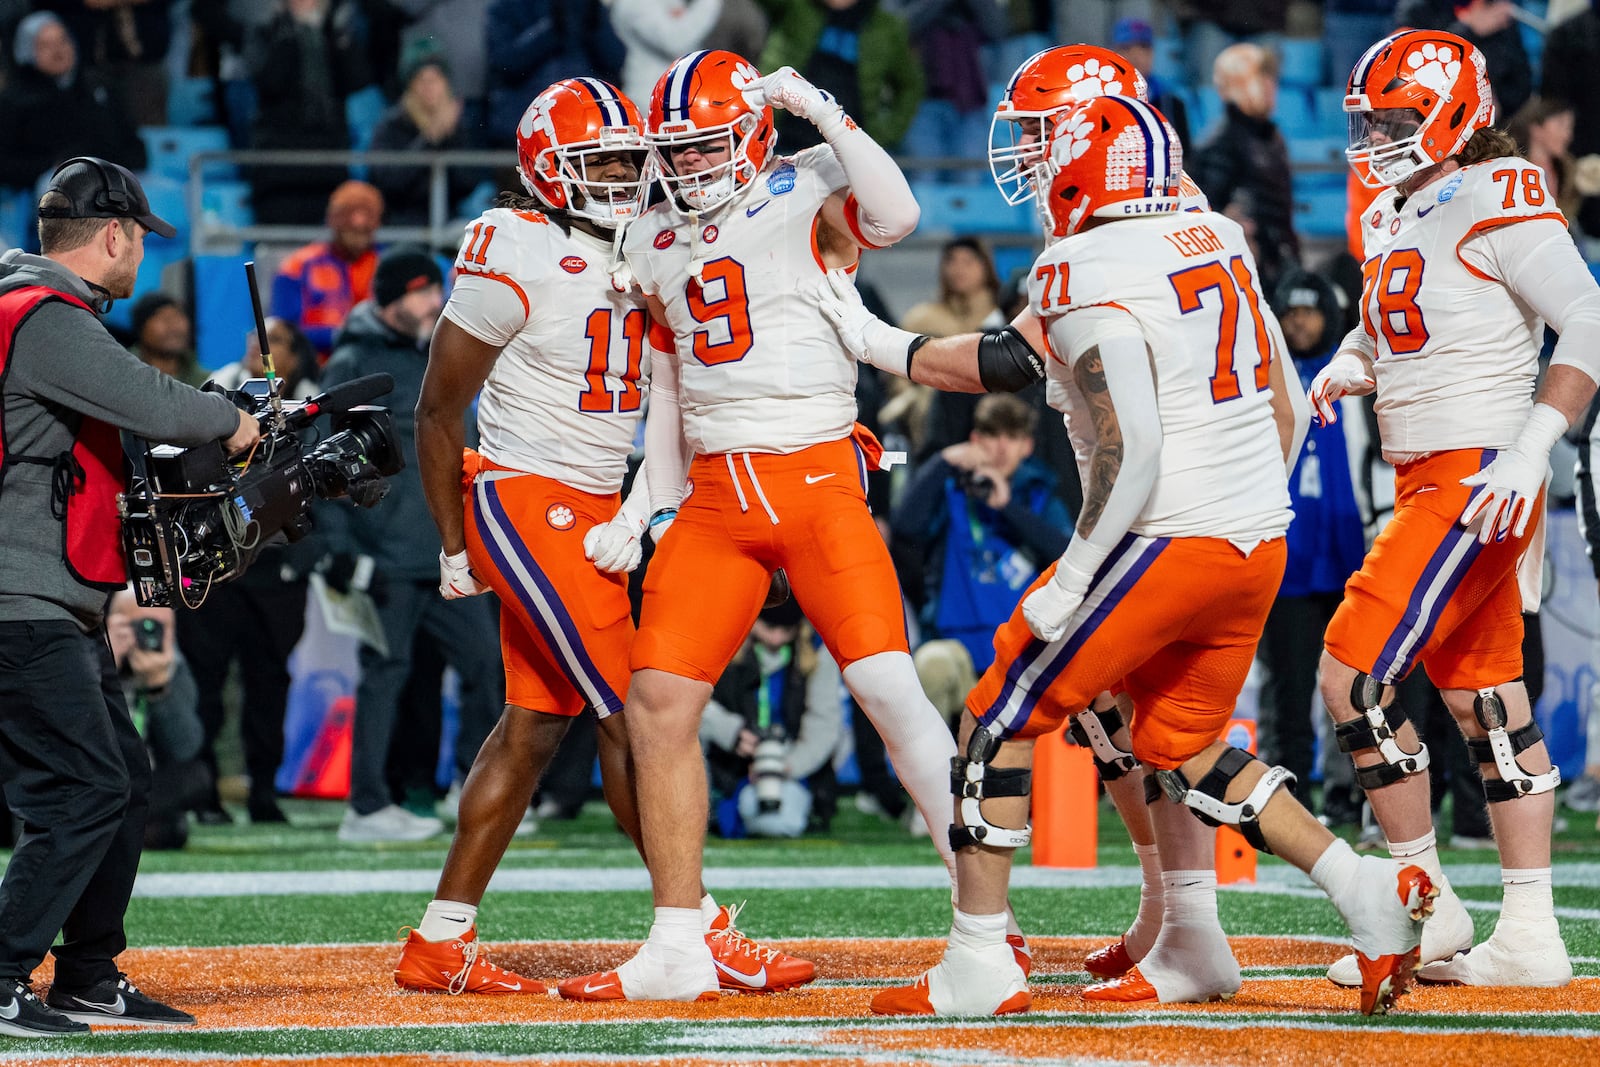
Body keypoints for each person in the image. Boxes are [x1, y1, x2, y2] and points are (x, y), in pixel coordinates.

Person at [841, 93, 1443, 1018]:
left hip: (1169, 532)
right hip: (1254, 537)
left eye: (1048, 153)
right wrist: (1246, 506)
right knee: (1184, 747)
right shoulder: (1216, 233)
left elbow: (1138, 448)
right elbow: (1279, 399)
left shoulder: (1081, 263)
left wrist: (1076, 577)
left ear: (1090, 164)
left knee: (994, 714)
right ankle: (1368, 896)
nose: (1037, 173)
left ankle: (978, 963)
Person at [558, 49, 1023, 1004]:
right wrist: (646, 506)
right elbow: (670, 390)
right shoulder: (649, 236)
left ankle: (989, 927)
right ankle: (679, 941)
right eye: (675, 151)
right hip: (719, 501)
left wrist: (823, 112)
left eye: (705, 146)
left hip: (815, 485)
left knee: (892, 692)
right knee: (656, 707)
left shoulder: (801, 183)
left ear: (757, 134)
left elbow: (897, 216)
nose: (687, 169)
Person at [402, 77, 813, 996]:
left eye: (632, 160)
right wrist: (453, 542)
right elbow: (436, 410)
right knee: (635, 715)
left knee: (534, 729)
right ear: (548, 169)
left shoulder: (644, 239)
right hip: (529, 497)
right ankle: (696, 923)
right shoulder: (515, 243)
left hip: (598, 506)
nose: (625, 178)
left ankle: (440, 938)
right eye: (602, 162)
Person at [1308, 27, 1600, 989]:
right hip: (1431, 472)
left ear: (1455, 111)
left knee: (1351, 674)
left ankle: (1423, 907)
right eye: (1372, 117)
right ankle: (1528, 932)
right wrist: (1357, 358)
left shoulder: (1498, 189)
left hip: (1476, 476)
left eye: (1398, 115)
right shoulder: (1408, 203)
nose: (1379, 134)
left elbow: (1590, 313)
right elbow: (1401, 315)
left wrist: (1531, 444)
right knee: (1486, 705)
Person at [0, 157, 259, 1036]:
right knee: (81, 786)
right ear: (114, 235)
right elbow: (153, 402)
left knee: (122, 775)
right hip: (19, 597)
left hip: (49, 598)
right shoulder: (48, 318)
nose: (141, 256)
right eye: (140, 239)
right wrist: (233, 417)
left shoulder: (30, 309)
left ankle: (86, 974)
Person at [319, 246, 499, 844]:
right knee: (384, 675)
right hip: (387, 555)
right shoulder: (354, 360)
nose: (434, 301)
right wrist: (339, 545)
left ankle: (474, 794)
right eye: (423, 291)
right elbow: (324, 460)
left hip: (450, 546)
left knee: (484, 664)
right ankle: (365, 807)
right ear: (394, 298)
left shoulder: (442, 350)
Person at [177, 318, 321, 825]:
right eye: (257, 340)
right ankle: (204, 791)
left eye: (278, 341)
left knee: (269, 682)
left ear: (298, 355)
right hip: (221, 568)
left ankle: (264, 789)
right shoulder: (214, 396)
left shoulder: (314, 407)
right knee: (206, 682)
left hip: (279, 574)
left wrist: (307, 557)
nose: (262, 348)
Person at [1255, 268, 1366, 804]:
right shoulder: (1259, 377)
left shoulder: (1357, 378)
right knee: (1290, 686)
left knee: (1352, 686)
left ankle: (1349, 793)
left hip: (1352, 553)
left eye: (1309, 311)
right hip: (1286, 556)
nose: (1300, 321)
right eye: (1290, 312)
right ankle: (1287, 798)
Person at [891, 393, 1070, 676]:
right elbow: (905, 527)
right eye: (992, 434)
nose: (1001, 448)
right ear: (975, 439)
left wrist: (1008, 508)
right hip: (956, 647)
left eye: (1011, 437)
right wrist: (942, 461)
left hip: (1023, 650)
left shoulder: (1042, 496)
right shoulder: (952, 491)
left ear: (1027, 446)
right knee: (932, 665)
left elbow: (1067, 556)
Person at [702, 599, 845, 838]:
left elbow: (825, 724)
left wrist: (785, 766)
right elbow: (684, 705)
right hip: (727, 762)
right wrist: (731, 732)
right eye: (768, 628)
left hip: (791, 765)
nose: (777, 639)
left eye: (786, 630)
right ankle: (706, 805)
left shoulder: (818, 649)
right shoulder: (719, 639)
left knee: (776, 822)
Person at [1189, 42, 1299, 294]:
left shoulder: (1269, 136)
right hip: (1246, 276)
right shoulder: (1219, 144)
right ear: (1241, 82)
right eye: (1263, 77)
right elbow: (1207, 217)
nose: (1272, 86)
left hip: (1279, 265)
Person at [105, 588, 209, 852]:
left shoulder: (175, 667)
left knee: (196, 778)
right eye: (139, 623)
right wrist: (104, 668)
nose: (149, 634)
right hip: (94, 777)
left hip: (140, 784)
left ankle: (104, 828)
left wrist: (158, 688)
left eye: (159, 626)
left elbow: (186, 749)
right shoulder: (87, 659)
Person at [0, 12, 147, 194]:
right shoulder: (14, 101)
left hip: (110, 179)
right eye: (46, 45)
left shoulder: (100, 90)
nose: (58, 51)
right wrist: (53, 166)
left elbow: (135, 148)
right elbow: (5, 164)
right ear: (26, 51)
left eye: (63, 41)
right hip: (49, 187)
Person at [757, 0, 922, 152]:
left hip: (847, 150)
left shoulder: (886, 27)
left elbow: (910, 84)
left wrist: (884, 134)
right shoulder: (797, 7)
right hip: (781, 138)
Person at [270, 180, 385, 361]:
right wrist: (338, 335)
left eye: (368, 214)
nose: (359, 222)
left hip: (375, 366)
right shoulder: (297, 266)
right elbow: (283, 332)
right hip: (312, 370)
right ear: (332, 219)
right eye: (348, 214)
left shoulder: (387, 266)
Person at [369, 49, 486, 225]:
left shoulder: (458, 125)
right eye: (421, 80)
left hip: (449, 218)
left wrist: (450, 138)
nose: (429, 87)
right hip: (402, 219)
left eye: (435, 79)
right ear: (410, 86)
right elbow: (388, 181)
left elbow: (468, 181)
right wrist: (428, 140)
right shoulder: (392, 124)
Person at [128, 293, 209, 388]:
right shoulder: (121, 375)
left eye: (177, 316)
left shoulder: (206, 383)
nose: (174, 326)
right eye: (163, 318)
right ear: (141, 328)